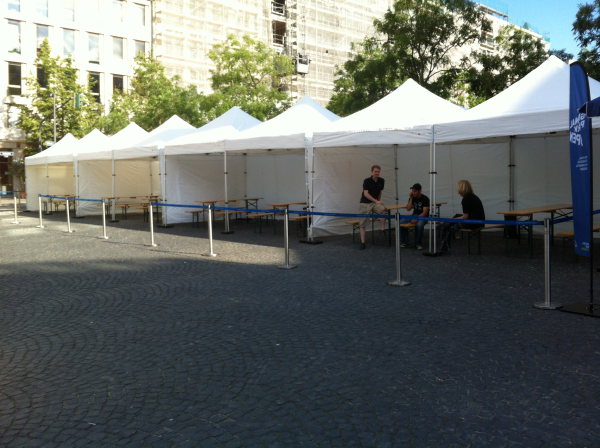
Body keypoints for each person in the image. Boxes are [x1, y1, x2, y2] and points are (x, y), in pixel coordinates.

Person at [440, 180, 485, 253]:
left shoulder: (465, 199)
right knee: (456, 216)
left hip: (472, 224)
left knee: (446, 228)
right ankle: (445, 224)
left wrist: (454, 219)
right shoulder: (474, 197)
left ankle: (444, 249)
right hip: (479, 222)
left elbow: (465, 217)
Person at [358, 165, 387, 250]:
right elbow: (366, 194)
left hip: (375, 202)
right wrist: (376, 201)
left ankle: (382, 229)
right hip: (365, 203)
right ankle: (362, 242)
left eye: (378, 171)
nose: (377, 173)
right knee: (362, 223)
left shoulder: (381, 180)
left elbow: (380, 192)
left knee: (383, 209)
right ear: (372, 172)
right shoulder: (367, 181)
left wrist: (378, 201)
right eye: (375, 171)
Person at [400, 183, 429, 250]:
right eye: (412, 191)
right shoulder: (412, 198)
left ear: (420, 191)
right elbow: (408, 209)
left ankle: (418, 244)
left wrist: (417, 218)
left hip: (423, 216)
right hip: (414, 215)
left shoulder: (425, 198)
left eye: (415, 191)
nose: (413, 193)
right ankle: (405, 242)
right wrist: (411, 199)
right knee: (401, 223)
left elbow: (425, 212)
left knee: (419, 225)